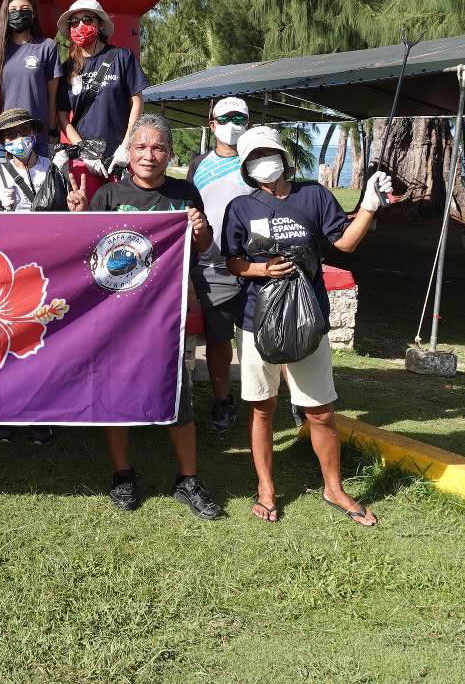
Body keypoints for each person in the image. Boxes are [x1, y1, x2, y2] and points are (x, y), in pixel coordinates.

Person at [223, 126, 391, 526]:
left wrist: (368, 207)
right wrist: (262, 268)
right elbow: (232, 261)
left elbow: (345, 244)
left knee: (319, 410)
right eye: (254, 158)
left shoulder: (313, 195)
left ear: (283, 156)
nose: (263, 162)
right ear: (246, 167)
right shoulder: (241, 207)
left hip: (307, 318)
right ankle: (266, 488)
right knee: (262, 408)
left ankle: (334, 488)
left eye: (269, 153)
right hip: (255, 321)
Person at [74, 114, 223, 520]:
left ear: (170, 153)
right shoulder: (108, 195)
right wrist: (82, 214)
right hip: (117, 316)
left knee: (178, 395)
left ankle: (188, 480)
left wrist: (199, 228)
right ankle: (123, 475)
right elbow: (87, 253)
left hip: (166, 316)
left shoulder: (184, 192)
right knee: (115, 393)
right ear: (129, 152)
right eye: (141, 147)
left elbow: (205, 246)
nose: (149, 155)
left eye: (158, 147)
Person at [0, 106, 58, 444]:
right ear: (2, 141)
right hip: (10, 270)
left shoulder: (52, 169)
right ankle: (6, 412)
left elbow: (66, 216)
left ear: (34, 134)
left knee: (44, 344)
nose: (18, 139)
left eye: (23, 132)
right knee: (9, 343)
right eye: (10, 135)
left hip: (50, 265)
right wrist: (1, 211)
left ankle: (41, 413)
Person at [186, 97, 254, 431]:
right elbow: (189, 211)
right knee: (218, 340)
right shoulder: (198, 164)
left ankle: (287, 401)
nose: (233, 124)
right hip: (212, 267)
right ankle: (222, 399)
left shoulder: (255, 162)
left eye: (240, 118)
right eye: (225, 118)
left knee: (267, 336)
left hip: (257, 267)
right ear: (212, 124)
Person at [56, 0, 148, 179]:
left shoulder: (122, 57)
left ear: (99, 25)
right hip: (85, 161)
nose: (80, 25)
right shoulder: (67, 68)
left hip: (119, 157)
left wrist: (126, 145)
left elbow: (137, 102)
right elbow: (62, 116)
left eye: (87, 19)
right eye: (74, 22)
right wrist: (84, 151)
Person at [0, 0, 61, 155]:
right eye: (13, 10)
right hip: (3, 139)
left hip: (38, 137)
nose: (18, 13)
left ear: (34, 13)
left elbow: (52, 99)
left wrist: (52, 132)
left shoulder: (47, 47)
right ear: (5, 14)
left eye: (25, 9)